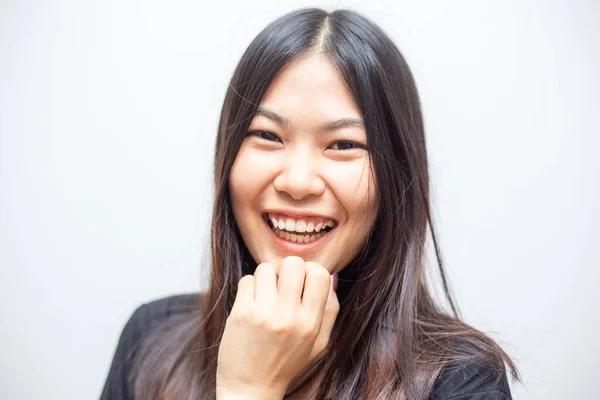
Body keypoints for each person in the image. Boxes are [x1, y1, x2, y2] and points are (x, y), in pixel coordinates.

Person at [100, 8, 521, 400]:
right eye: (267, 135)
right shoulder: (149, 338)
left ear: (395, 175)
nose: (297, 182)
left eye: (343, 144)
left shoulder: (460, 379)